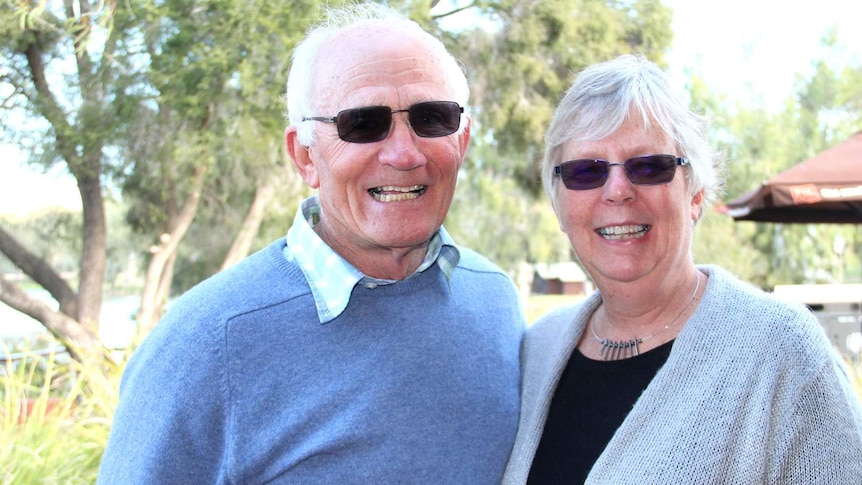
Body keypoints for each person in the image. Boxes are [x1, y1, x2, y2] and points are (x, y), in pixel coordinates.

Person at [98, 4, 525, 483]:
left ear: (462, 141)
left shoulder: (495, 300)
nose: (405, 154)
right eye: (363, 124)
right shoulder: (206, 346)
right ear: (304, 156)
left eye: (432, 118)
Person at [503, 54, 862, 484]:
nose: (617, 190)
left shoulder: (780, 349)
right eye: (586, 171)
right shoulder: (539, 349)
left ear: (695, 195)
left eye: (649, 166)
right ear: (559, 205)